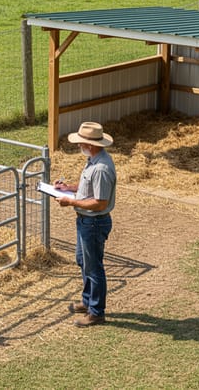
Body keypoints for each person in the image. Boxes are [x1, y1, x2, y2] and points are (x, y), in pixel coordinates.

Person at [54, 121, 116, 327]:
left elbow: (100, 202)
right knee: (83, 261)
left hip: (93, 222)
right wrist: (68, 188)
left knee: (94, 267)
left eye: (81, 142)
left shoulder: (100, 168)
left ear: (90, 144)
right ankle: (88, 301)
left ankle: (96, 312)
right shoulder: (94, 160)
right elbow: (86, 188)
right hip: (86, 221)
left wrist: (70, 201)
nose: (79, 145)